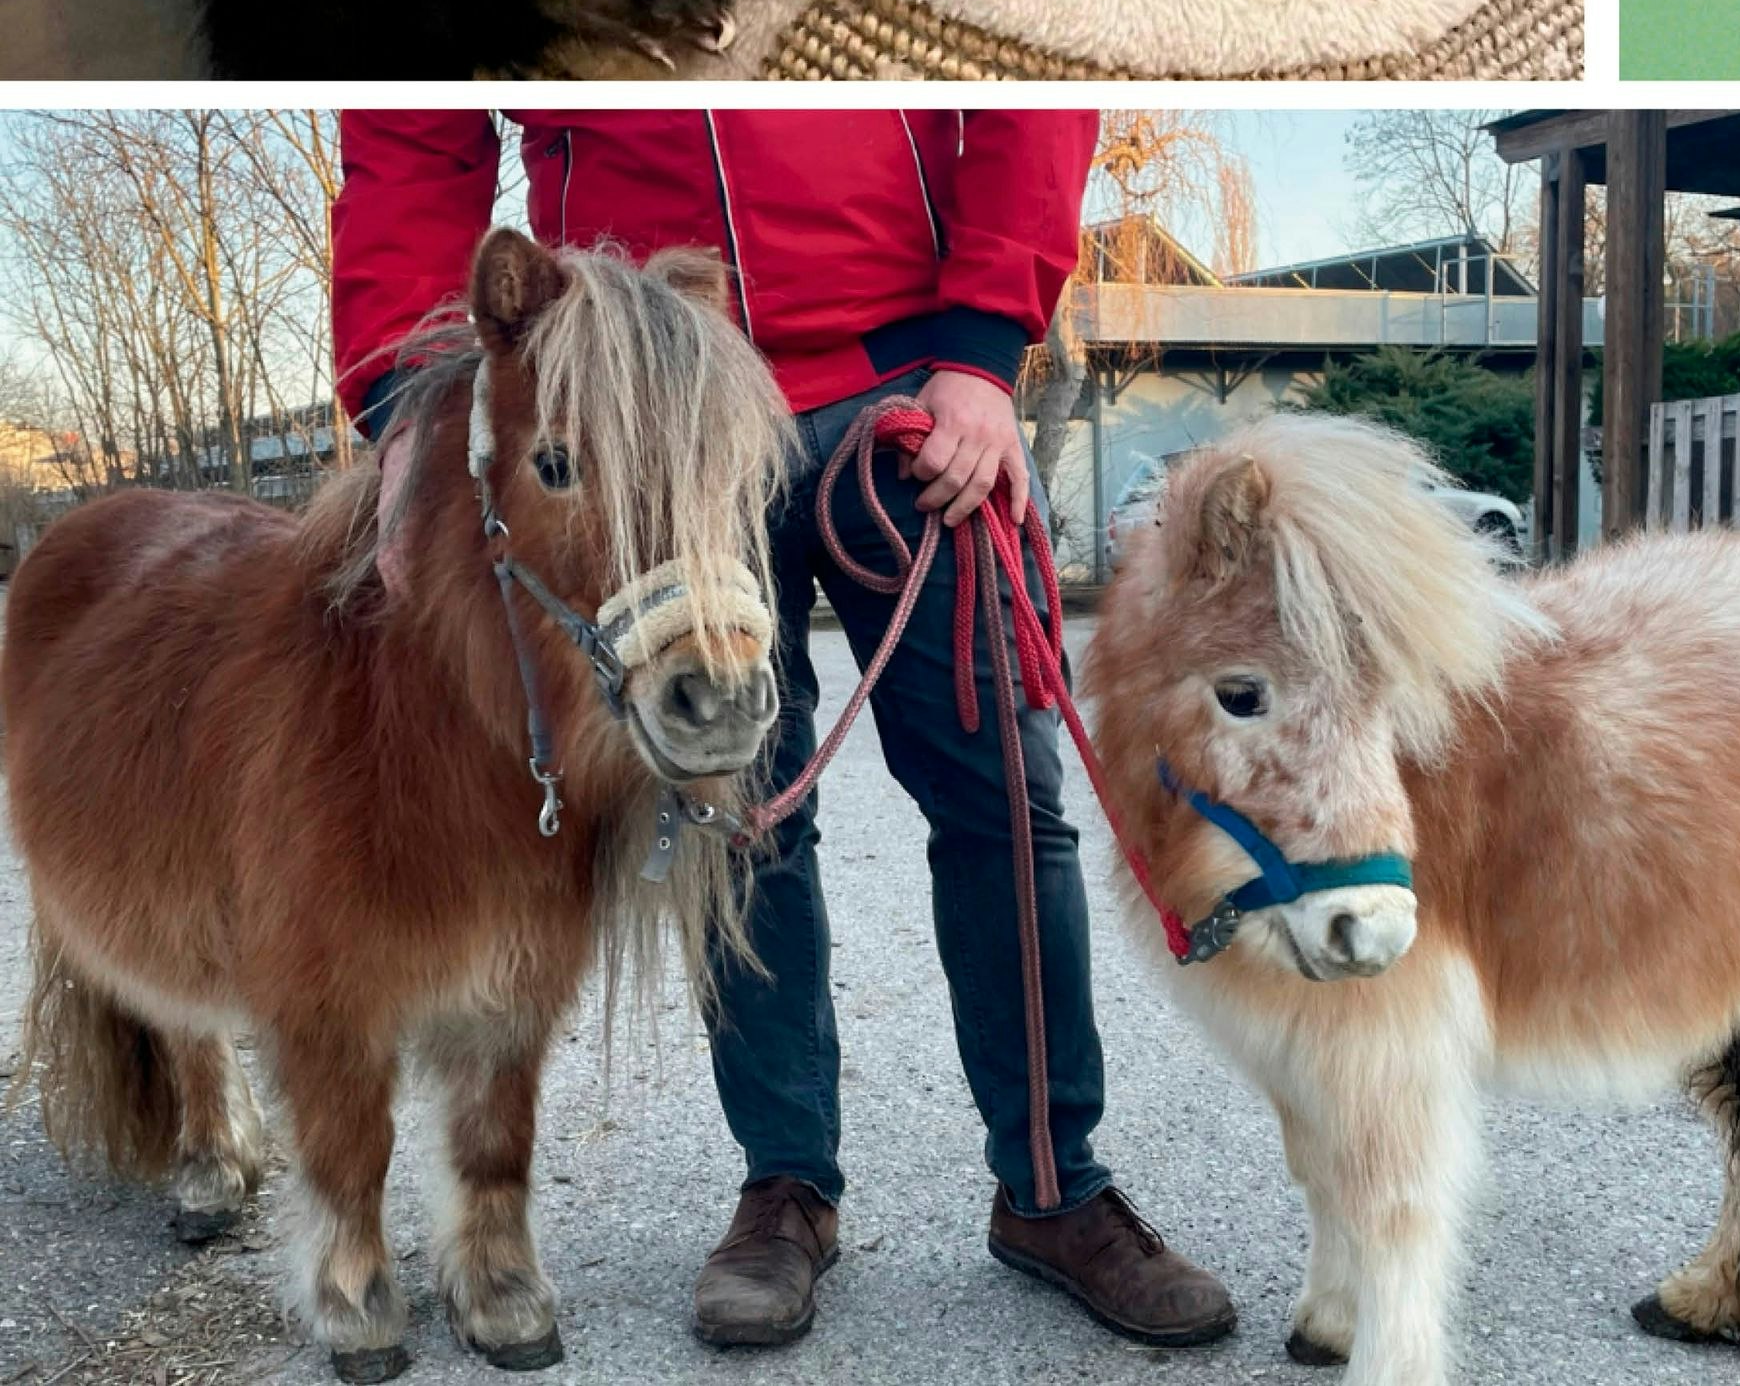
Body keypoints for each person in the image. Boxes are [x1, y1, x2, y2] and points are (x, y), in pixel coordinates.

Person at [330, 108, 1234, 1352]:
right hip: (654, 388)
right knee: (735, 812)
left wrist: (980, 343)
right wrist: (400, 408)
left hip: (902, 379)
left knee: (1001, 794)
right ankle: (786, 1185)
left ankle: (1052, 1188)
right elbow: (405, 128)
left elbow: (1025, 80)